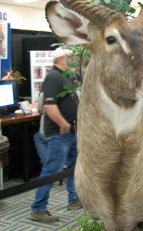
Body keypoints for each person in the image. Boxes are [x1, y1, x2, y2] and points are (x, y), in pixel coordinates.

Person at [30, 47, 82, 223]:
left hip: (71, 131)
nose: (75, 60)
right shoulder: (53, 77)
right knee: (52, 170)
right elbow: (49, 106)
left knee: (74, 167)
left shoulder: (68, 76)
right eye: (72, 57)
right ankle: (38, 208)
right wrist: (63, 124)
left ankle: (74, 199)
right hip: (59, 133)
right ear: (63, 58)